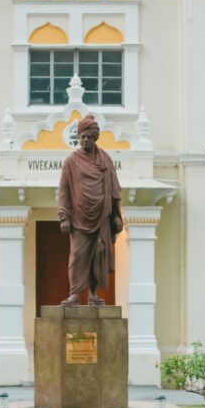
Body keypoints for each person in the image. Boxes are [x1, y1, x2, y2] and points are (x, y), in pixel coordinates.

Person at [57, 114, 123, 305]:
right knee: (77, 256)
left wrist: (116, 216)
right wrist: (64, 217)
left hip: (102, 216)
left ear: (95, 138)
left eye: (89, 137)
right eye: (83, 136)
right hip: (79, 217)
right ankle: (75, 294)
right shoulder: (71, 161)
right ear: (79, 137)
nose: (86, 140)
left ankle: (93, 295)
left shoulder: (105, 159)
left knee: (98, 255)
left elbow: (114, 187)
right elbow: (64, 190)